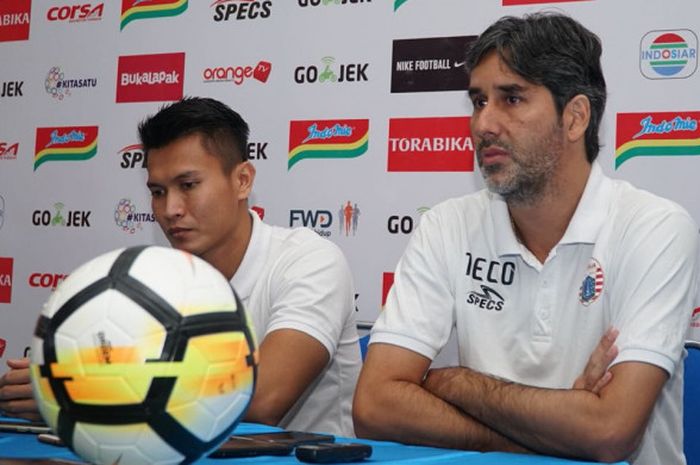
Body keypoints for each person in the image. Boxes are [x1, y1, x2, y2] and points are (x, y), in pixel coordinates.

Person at [353, 13, 698, 465]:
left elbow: (610, 431)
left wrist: (454, 382)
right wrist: (550, 435)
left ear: (575, 118)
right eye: (478, 101)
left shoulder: (654, 227)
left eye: (511, 98)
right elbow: (375, 404)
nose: (483, 125)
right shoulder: (447, 225)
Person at [0, 97, 362, 437]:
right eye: (157, 192)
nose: (170, 209)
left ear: (242, 180)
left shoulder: (309, 260)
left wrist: (87, 391)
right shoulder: (153, 280)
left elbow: (263, 398)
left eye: (188, 185)